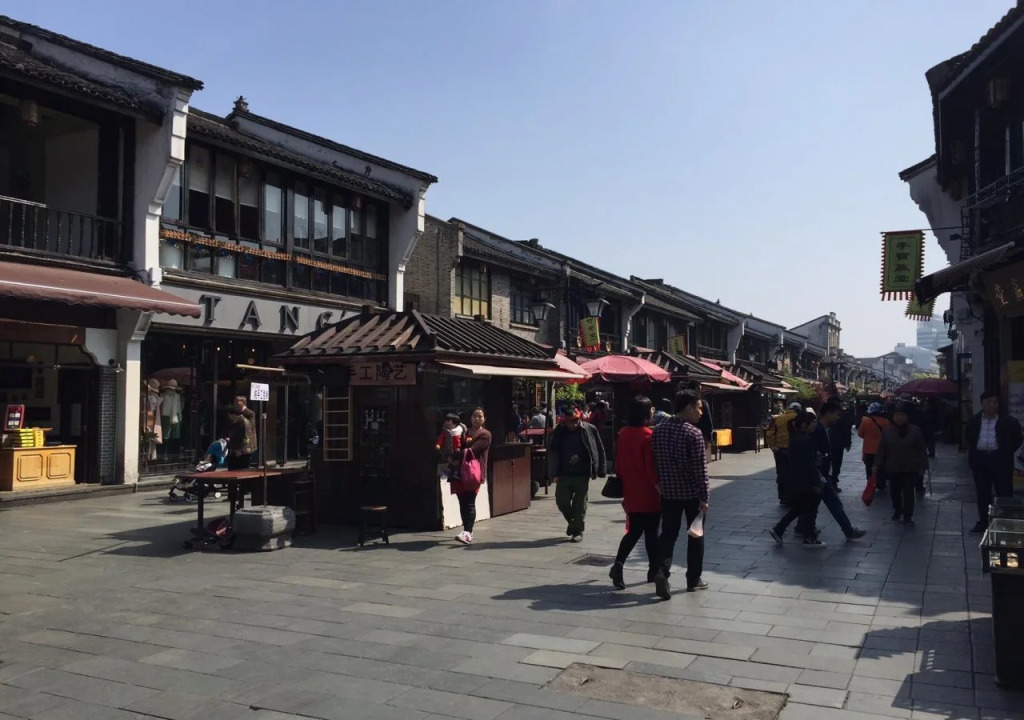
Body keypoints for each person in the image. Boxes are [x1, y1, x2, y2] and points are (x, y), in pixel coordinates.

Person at [650, 390, 710, 599]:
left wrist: (659, 483)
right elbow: (700, 470)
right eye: (699, 408)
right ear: (688, 407)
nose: (701, 413)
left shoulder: (658, 430)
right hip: (692, 494)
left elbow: (654, 461)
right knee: (695, 536)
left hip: (669, 493)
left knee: (668, 535)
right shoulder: (693, 433)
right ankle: (693, 579)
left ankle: (661, 572)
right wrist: (704, 497)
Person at [609, 396, 661, 589]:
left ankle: (619, 563)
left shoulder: (622, 434)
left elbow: (618, 464)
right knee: (651, 533)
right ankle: (653, 571)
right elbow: (650, 469)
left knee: (634, 531)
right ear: (646, 413)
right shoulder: (648, 436)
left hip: (630, 490)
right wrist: (660, 489)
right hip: (648, 492)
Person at [803, 401, 867, 541]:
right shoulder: (817, 430)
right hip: (818, 475)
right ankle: (848, 530)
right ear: (828, 414)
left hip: (821, 475)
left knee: (814, 505)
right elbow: (810, 452)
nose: (838, 417)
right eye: (837, 414)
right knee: (830, 504)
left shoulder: (825, 429)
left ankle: (798, 528)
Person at [965, 390, 1023, 533]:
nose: (993, 405)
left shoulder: (1009, 422)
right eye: (989, 402)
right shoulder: (974, 421)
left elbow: (1017, 439)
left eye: (995, 402)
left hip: (1000, 460)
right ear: (982, 404)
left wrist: (1006, 451)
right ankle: (984, 522)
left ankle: (1004, 522)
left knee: (1004, 493)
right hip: (981, 461)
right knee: (982, 493)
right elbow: (969, 438)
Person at [768, 411, 826, 547]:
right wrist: (816, 483)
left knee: (799, 507)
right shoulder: (806, 440)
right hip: (806, 480)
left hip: (796, 478)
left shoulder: (795, 438)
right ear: (805, 424)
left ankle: (779, 529)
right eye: (813, 422)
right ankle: (809, 537)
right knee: (810, 507)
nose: (815, 424)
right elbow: (809, 464)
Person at [548, 408, 606, 542]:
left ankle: (578, 531)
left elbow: (598, 448)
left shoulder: (589, 429)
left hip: (582, 473)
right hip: (564, 473)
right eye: (571, 421)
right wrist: (550, 472)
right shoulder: (558, 432)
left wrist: (600, 468)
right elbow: (552, 451)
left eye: (576, 420)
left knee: (580, 503)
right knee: (561, 501)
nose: (574, 423)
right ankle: (573, 523)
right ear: (564, 421)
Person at [874, 403, 929, 527]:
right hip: (893, 467)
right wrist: (876, 464)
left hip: (911, 467)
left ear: (907, 417)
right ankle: (898, 509)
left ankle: (908, 515)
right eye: (897, 415)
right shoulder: (887, 431)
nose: (900, 418)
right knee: (894, 492)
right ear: (893, 417)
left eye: (902, 415)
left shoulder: (915, 431)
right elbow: (882, 449)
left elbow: (921, 449)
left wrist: (923, 466)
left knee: (909, 493)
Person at [452, 408, 492, 545]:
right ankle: (466, 530)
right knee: (462, 502)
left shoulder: (485, 434)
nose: (477, 418)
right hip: (459, 472)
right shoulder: (464, 431)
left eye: (480, 416)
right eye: (475, 416)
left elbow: (473, 450)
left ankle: (468, 532)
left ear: (484, 419)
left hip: (473, 472)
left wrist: (454, 455)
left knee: (469, 501)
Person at [766, 402, 802, 503]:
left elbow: (769, 433)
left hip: (780, 450)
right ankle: (794, 496)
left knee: (781, 473)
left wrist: (773, 446)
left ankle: (783, 497)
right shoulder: (800, 418)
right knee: (795, 473)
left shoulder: (778, 418)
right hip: (796, 450)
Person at [857, 403, 890, 492]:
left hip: (869, 450)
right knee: (881, 468)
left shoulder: (866, 421)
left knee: (869, 468)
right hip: (882, 450)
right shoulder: (886, 422)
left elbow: (860, 434)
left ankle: (870, 483)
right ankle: (881, 484)